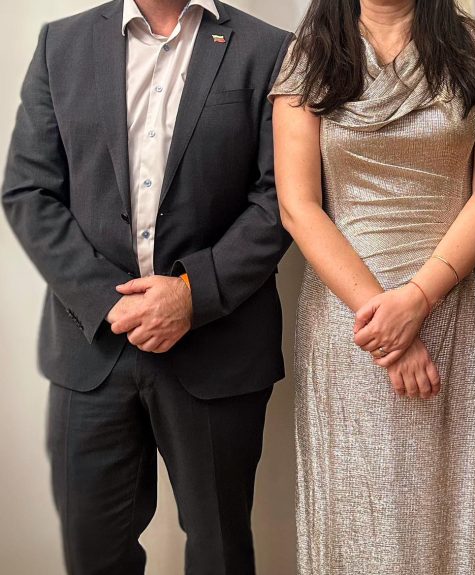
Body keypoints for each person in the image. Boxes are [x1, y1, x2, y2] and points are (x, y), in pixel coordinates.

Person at [2, 1, 291, 573]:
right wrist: (110, 304)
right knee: (94, 556)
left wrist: (191, 293)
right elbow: (29, 191)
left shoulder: (270, 50)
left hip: (219, 348)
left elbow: (281, 197)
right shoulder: (61, 45)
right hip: (90, 352)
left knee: (220, 552)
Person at [270, 0, 475, 573]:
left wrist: (419, 297)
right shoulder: (309, 55)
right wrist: (384, 321)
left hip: (462, 306)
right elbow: (298, 206)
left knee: (465, 505)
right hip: (351, 325)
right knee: (367, 510)